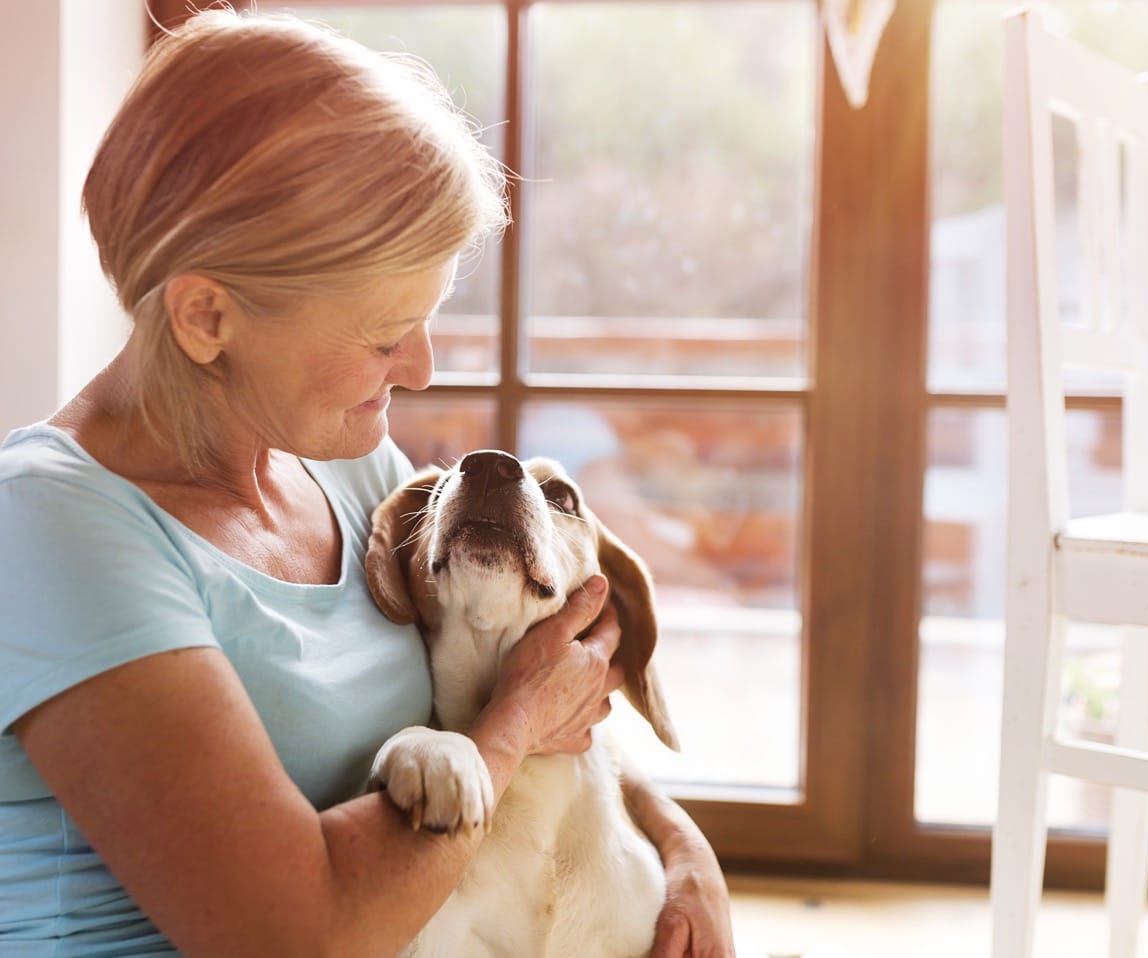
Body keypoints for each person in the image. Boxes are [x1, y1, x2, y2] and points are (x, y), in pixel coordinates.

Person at [0, 9, 735, 957]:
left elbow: (543, 691)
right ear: (207, 317)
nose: (422, 366)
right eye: (385, 335)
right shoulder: (51, 528)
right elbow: (294, 932)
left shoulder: (348, 471)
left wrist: (680, 845)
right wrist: (510, 730)